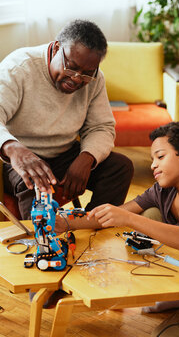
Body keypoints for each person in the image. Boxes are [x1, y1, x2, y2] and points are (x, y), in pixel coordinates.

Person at [57, 121, 179, 337]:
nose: (153, 164)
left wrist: (128, 218)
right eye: (153, 159)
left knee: (163, 335)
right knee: (149, 214)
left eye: (160, 157)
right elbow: (113, 214)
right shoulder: (163, 191)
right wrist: (66, 223)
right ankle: (178, 298)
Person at [0, 19, 133, 220]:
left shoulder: (96, 79)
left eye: (87, 73)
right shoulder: (19, 67)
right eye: (71, 67)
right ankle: (43, 244)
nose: (77, 78)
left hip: (64, 154)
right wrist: (12, 148)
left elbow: (102, 127)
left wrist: (87, 157)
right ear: (55, 48)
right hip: (21, 156)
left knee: (120, 167)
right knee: (36, 184)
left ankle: (91, 228)